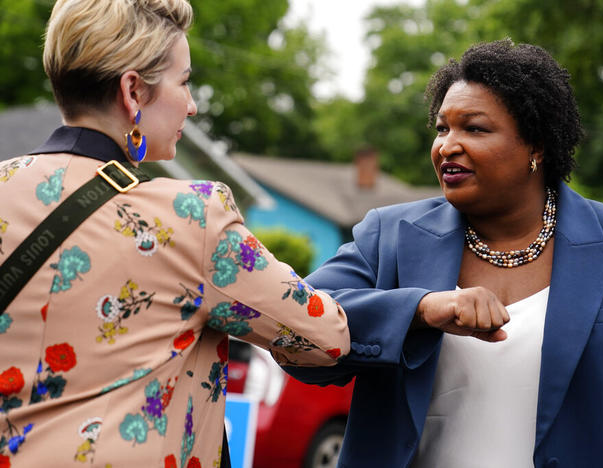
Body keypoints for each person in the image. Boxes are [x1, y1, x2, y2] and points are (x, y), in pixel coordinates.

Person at [285, 39, 603, 468]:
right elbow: (295, 325)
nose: (448, 145)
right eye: (442, 128)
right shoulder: (388, 236)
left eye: (475, 128)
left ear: (536, 146)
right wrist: (422, 309)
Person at [0, 0, 349, 466]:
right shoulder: (190, 214)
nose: (192, 103)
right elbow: (325, 337)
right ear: (133, 92)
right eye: (184, 82)